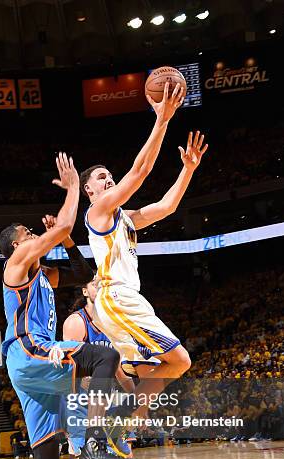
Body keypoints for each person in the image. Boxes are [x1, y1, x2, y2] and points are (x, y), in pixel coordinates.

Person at [0, 153, 135, 459]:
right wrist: (74, 186)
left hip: (34, 367)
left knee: (46, 458)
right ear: (16, 247)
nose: (32, 235)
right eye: (26, 234)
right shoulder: (15, 268)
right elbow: (58, 228)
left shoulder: (42, 274)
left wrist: (69, 242)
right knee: (104, 357)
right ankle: (96, 444)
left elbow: (82, 275)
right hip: (29, 353)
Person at [80, 125, 208, 421]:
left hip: (127, 299)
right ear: (90, 191)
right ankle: (112, 420)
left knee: (170, 368)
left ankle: (114, 424)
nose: (109, 179)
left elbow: (167, 206)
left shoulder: (125, 217)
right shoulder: (97, 212)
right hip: (117, 297)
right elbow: (140, 171)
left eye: (110, 175)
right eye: (102, 178)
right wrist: (162, 117)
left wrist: (187, 169)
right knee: (178, 361)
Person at [41, 272, 135, 459]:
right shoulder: (76, 322)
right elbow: (68, 371)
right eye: (96, 283)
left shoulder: (113, 324)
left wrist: (137, 398)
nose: (101, 287)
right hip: (79, 401)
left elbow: (118, 371)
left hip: (107, 401)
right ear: (85, 291)